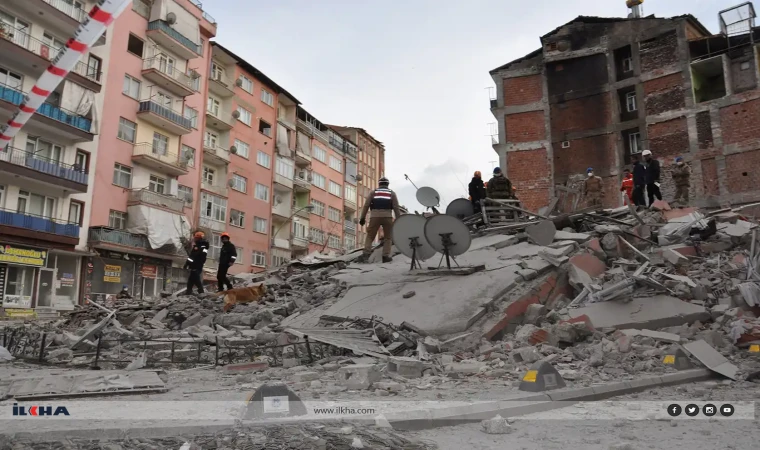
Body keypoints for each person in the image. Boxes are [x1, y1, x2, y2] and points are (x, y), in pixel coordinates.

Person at [358, 177, 402, 263]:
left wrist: (362, 218)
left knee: (370, 236)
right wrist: (399, 219)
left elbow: (366, 205)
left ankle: (366, 254)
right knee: (388, 237)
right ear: (387, 184)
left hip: (375, 216)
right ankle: (385, 256)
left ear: (379, 184)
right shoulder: (392, 193)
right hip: (387, 216)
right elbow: (396, 208)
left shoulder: (373, 192)